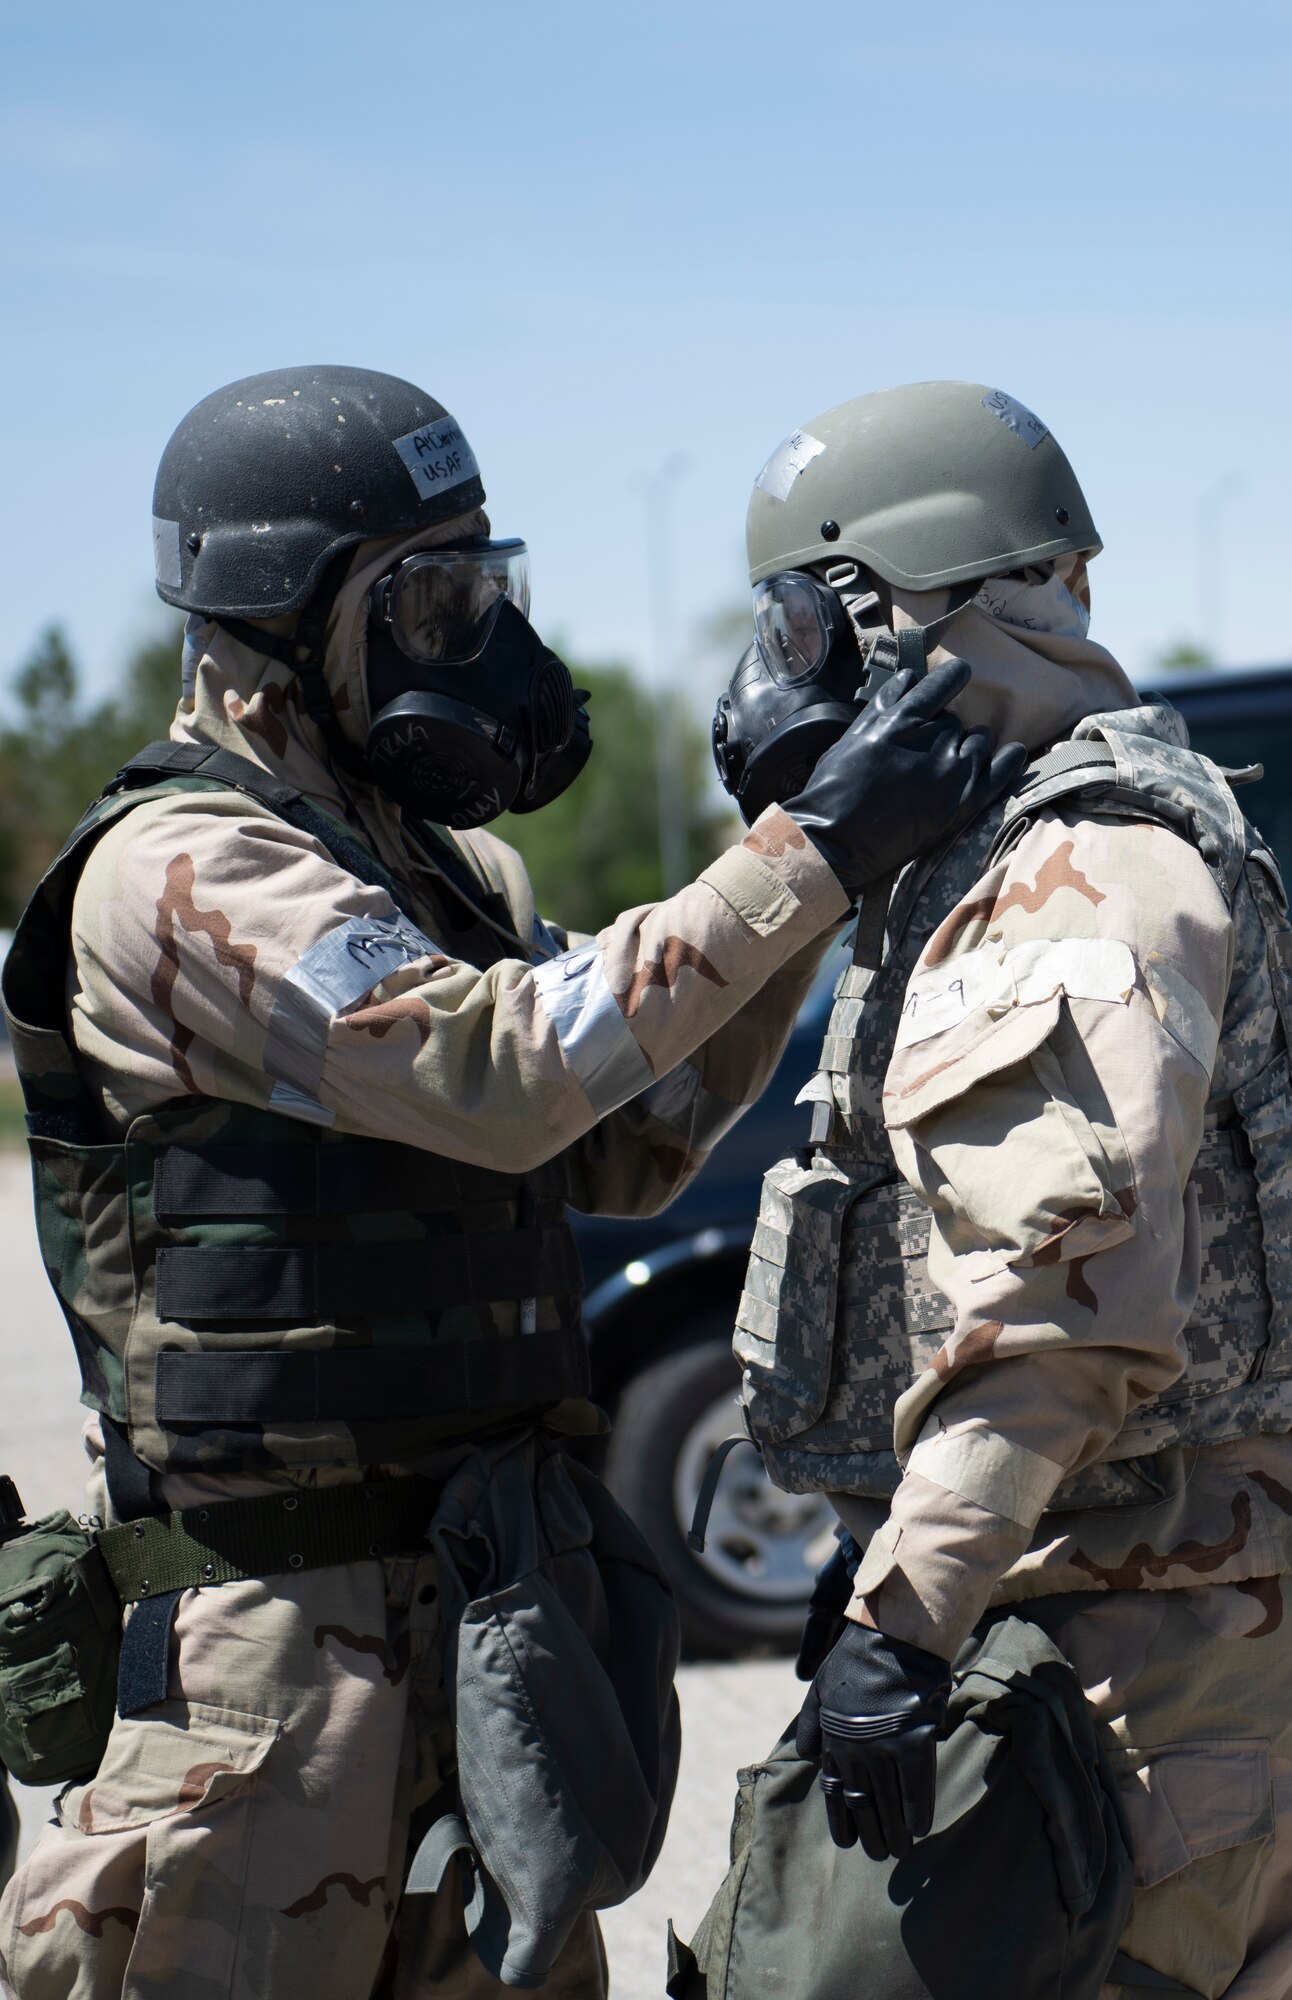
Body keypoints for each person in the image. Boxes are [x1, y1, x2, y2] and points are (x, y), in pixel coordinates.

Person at [0, 366, 1017, 2000]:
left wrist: (800, 848)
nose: (474, 637)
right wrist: (806, 851)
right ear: (279, 614)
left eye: (487, 586)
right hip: (264, 1674)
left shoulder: (437, 871)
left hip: (491, 1633)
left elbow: (624, 1125)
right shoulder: (182, 869)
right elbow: (506, 1068)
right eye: (428, 598)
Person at [715, 381, 1292, 1999]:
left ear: (883, 613)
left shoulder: (1075, 868)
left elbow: (1061, 1304)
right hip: (1145, 1622)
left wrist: (899, 1622)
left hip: (1135, 1647)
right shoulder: (1020, 839)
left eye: (792, 624)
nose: (771, 674)